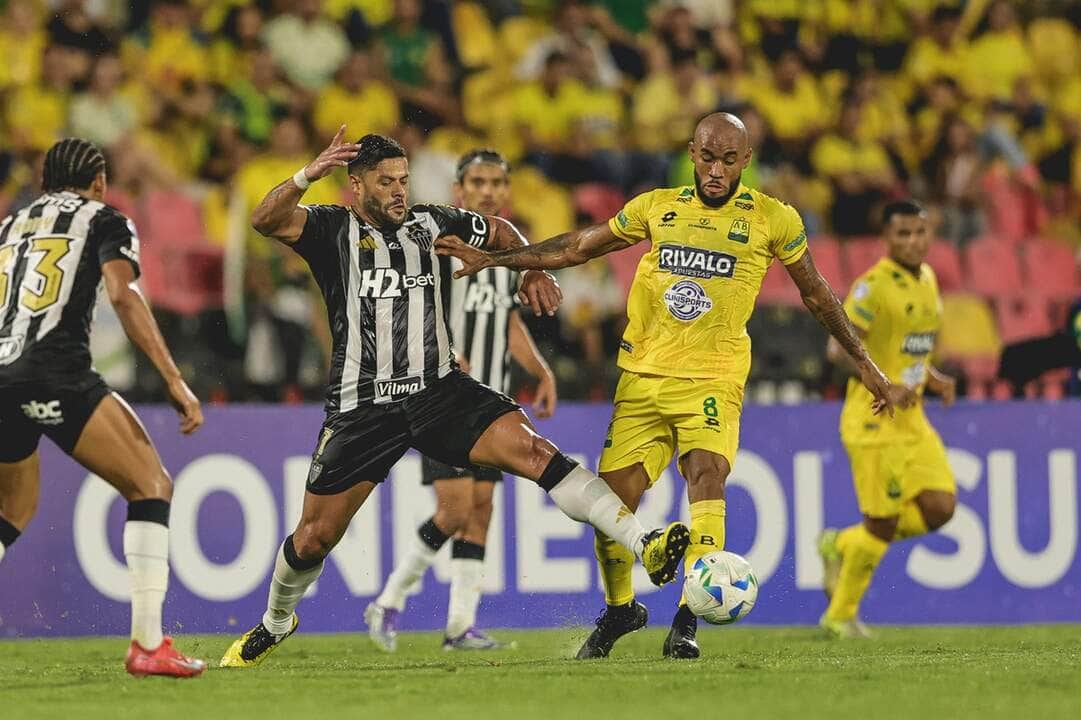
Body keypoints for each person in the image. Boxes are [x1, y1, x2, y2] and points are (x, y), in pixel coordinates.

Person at [436, 112, 914, 660]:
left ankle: (688, 619)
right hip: (642, 378)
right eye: (707, 157)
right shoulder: (656, 207)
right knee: (611, 506)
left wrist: (867, 365)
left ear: (746, 162)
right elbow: (578, 247)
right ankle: (621, 611)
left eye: (728, 161)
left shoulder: (772, 219)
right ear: (692, 152)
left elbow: (818, 296)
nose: (716, 170)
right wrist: (496, 260)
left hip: (713, 378)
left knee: (707, 477)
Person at [219, 130, 691, 668]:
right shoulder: (332, 227)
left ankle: (643, 542)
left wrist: (529, 266)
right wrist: (307, 174)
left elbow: (500, 229)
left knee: (538, 454)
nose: (399, 191)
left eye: (403, 180)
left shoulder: (431, 220)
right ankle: (276, 622)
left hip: (440, 390)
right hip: (362, 405)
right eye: (385, 182)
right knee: (313, 538)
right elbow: (264, 220)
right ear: (356, 186)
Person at [0, 138, 206, 677]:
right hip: (53, 371)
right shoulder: (104, 217)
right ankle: (148, 644)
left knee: (11, 510)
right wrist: (174, 379)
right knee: (151, 485)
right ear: (98, 183)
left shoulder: (11, 224)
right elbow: (123, 294)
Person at [366, 149, 558, 652]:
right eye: (478, 182)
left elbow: (506, 321)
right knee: (453, 510)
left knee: (482, 510)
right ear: (459, 191)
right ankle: (389, 600)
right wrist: (444, 350)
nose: (488, 191)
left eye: (497, 182)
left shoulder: (505, 253)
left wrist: (540, 371)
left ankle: (460, 624)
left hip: (491, 405)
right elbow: (406, 302)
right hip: (442, 400)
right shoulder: (443, 243)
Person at [818, 200, 957, 638]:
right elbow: (837, 350)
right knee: (882, 523)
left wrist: (930, 376)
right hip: (874, 417)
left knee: (940, 506)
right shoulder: (871, 287)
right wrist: (882, 382)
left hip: (913, 418)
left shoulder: (929, 279)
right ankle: (839, 616)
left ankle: (840, 544)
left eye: (919, 232)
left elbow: (909, 346)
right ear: (887, 238)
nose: (913, 242)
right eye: (903, 234)